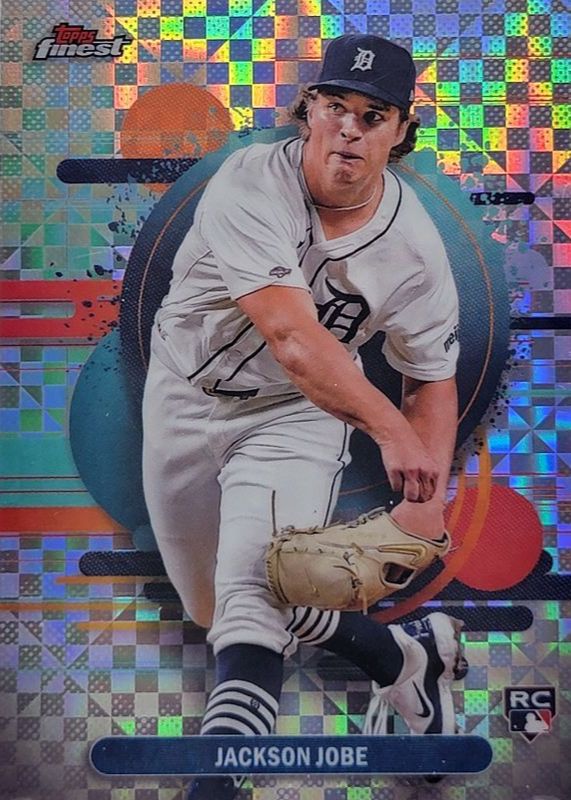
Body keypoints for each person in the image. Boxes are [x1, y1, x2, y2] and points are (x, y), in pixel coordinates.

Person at [142, 34, 465, 800]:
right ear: (306, 111)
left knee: (253, 603)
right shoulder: (250, 182)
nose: (349, 128)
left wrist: (424, 503)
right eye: (334, 106)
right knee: (210, 605)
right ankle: (401, 657)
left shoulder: (415, 250)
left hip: (297, 415)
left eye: (372, 115)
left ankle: (216, 784)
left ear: (400, 130)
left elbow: (430, 376)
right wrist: (391, 432)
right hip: (182, 392)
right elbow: (292, 337)